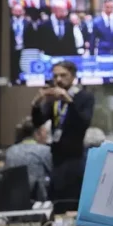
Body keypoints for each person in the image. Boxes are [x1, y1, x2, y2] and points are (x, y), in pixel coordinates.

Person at [31, 61, 94, 202]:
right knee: (56, 199)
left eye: (63, 75)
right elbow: (38, 122)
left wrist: (68, 101)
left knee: (73, 200)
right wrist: (36, 104)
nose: (58, 80)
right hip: (56, 157)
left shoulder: (84, 97)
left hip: (75, 157)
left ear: (73, 76)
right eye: (55, 76)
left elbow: (83, 123)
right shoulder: (54, 100)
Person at [5, 118, 52, 201]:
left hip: (14, 200)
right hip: (39, 200)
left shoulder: (10, 151)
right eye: (46, 133)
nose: (47, 136)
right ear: (37, 133)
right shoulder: (45, 150)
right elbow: (53, 173)